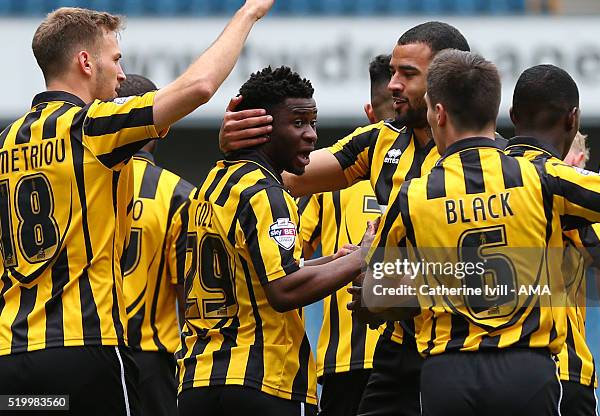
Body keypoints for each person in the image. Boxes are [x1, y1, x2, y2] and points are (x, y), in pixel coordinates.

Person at [0, 2, 274, 414]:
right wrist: (248, 14)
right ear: (86, 62)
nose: (122, 74)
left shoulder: (5, 143)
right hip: (86, 352)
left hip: (11, 355)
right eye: (116, 59)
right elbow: (198, 87)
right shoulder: (91, 125)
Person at [220, 22, 473, 416]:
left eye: (407, 74)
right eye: (393, 72)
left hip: (462, 344)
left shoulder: (495, 163)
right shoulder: (379, 143)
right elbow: (280, 173)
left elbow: (516, 274)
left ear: (446, 81)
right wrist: (245, 146)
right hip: (397, 346)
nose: (392, 85)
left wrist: (402, 290)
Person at [365, 49, 600, 415]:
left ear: (439, 113)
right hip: (526, 369)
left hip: (446, 373)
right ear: (496, 112)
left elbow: (374, 299)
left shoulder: (412, 195)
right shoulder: (541, 178)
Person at [176, 66, 372, 416]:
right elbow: (284, 290)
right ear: (263, 128)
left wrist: (333, 261)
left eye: (313, 123)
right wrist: (363, 258)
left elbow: (254, 275)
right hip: (264, 383)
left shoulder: (211, 185)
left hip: (198, 382)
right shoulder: (266, 193)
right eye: (298, 123)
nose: (312, 135)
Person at [505, 64, 600, 415]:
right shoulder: (561, 187)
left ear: (512, 116)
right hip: (557, 370)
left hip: (472, 370)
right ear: (573, 118)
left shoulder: (459, 179)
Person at [297, 54, 392, 416]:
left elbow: (291, 262)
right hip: (419, 353)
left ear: (370, 113)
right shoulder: (437, 178)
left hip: (344, 363)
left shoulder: (330, 182)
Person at [116, 74, 195, 416]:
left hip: (86, 349)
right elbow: (188, 295)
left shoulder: (76, 184)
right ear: (161, 127)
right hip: (153, 361)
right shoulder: (179, 194)